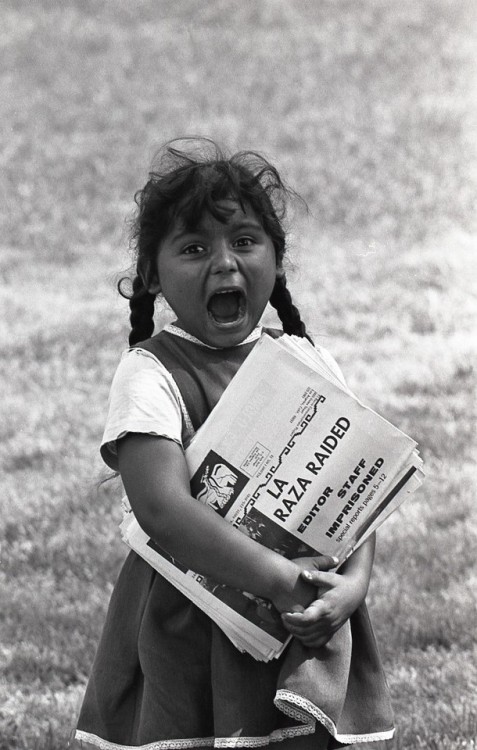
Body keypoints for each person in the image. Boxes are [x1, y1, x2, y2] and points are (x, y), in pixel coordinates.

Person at [72, 138, 394, 750]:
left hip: (305, 612)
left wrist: (353, 586)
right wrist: (276, 578)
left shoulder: (307, 361)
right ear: (152, 276)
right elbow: (162, 509)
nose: (225, 264)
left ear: (277, 259)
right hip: (189, 618)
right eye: (195, 249)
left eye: (244, 242)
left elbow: (358, 487)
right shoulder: (151, 372)